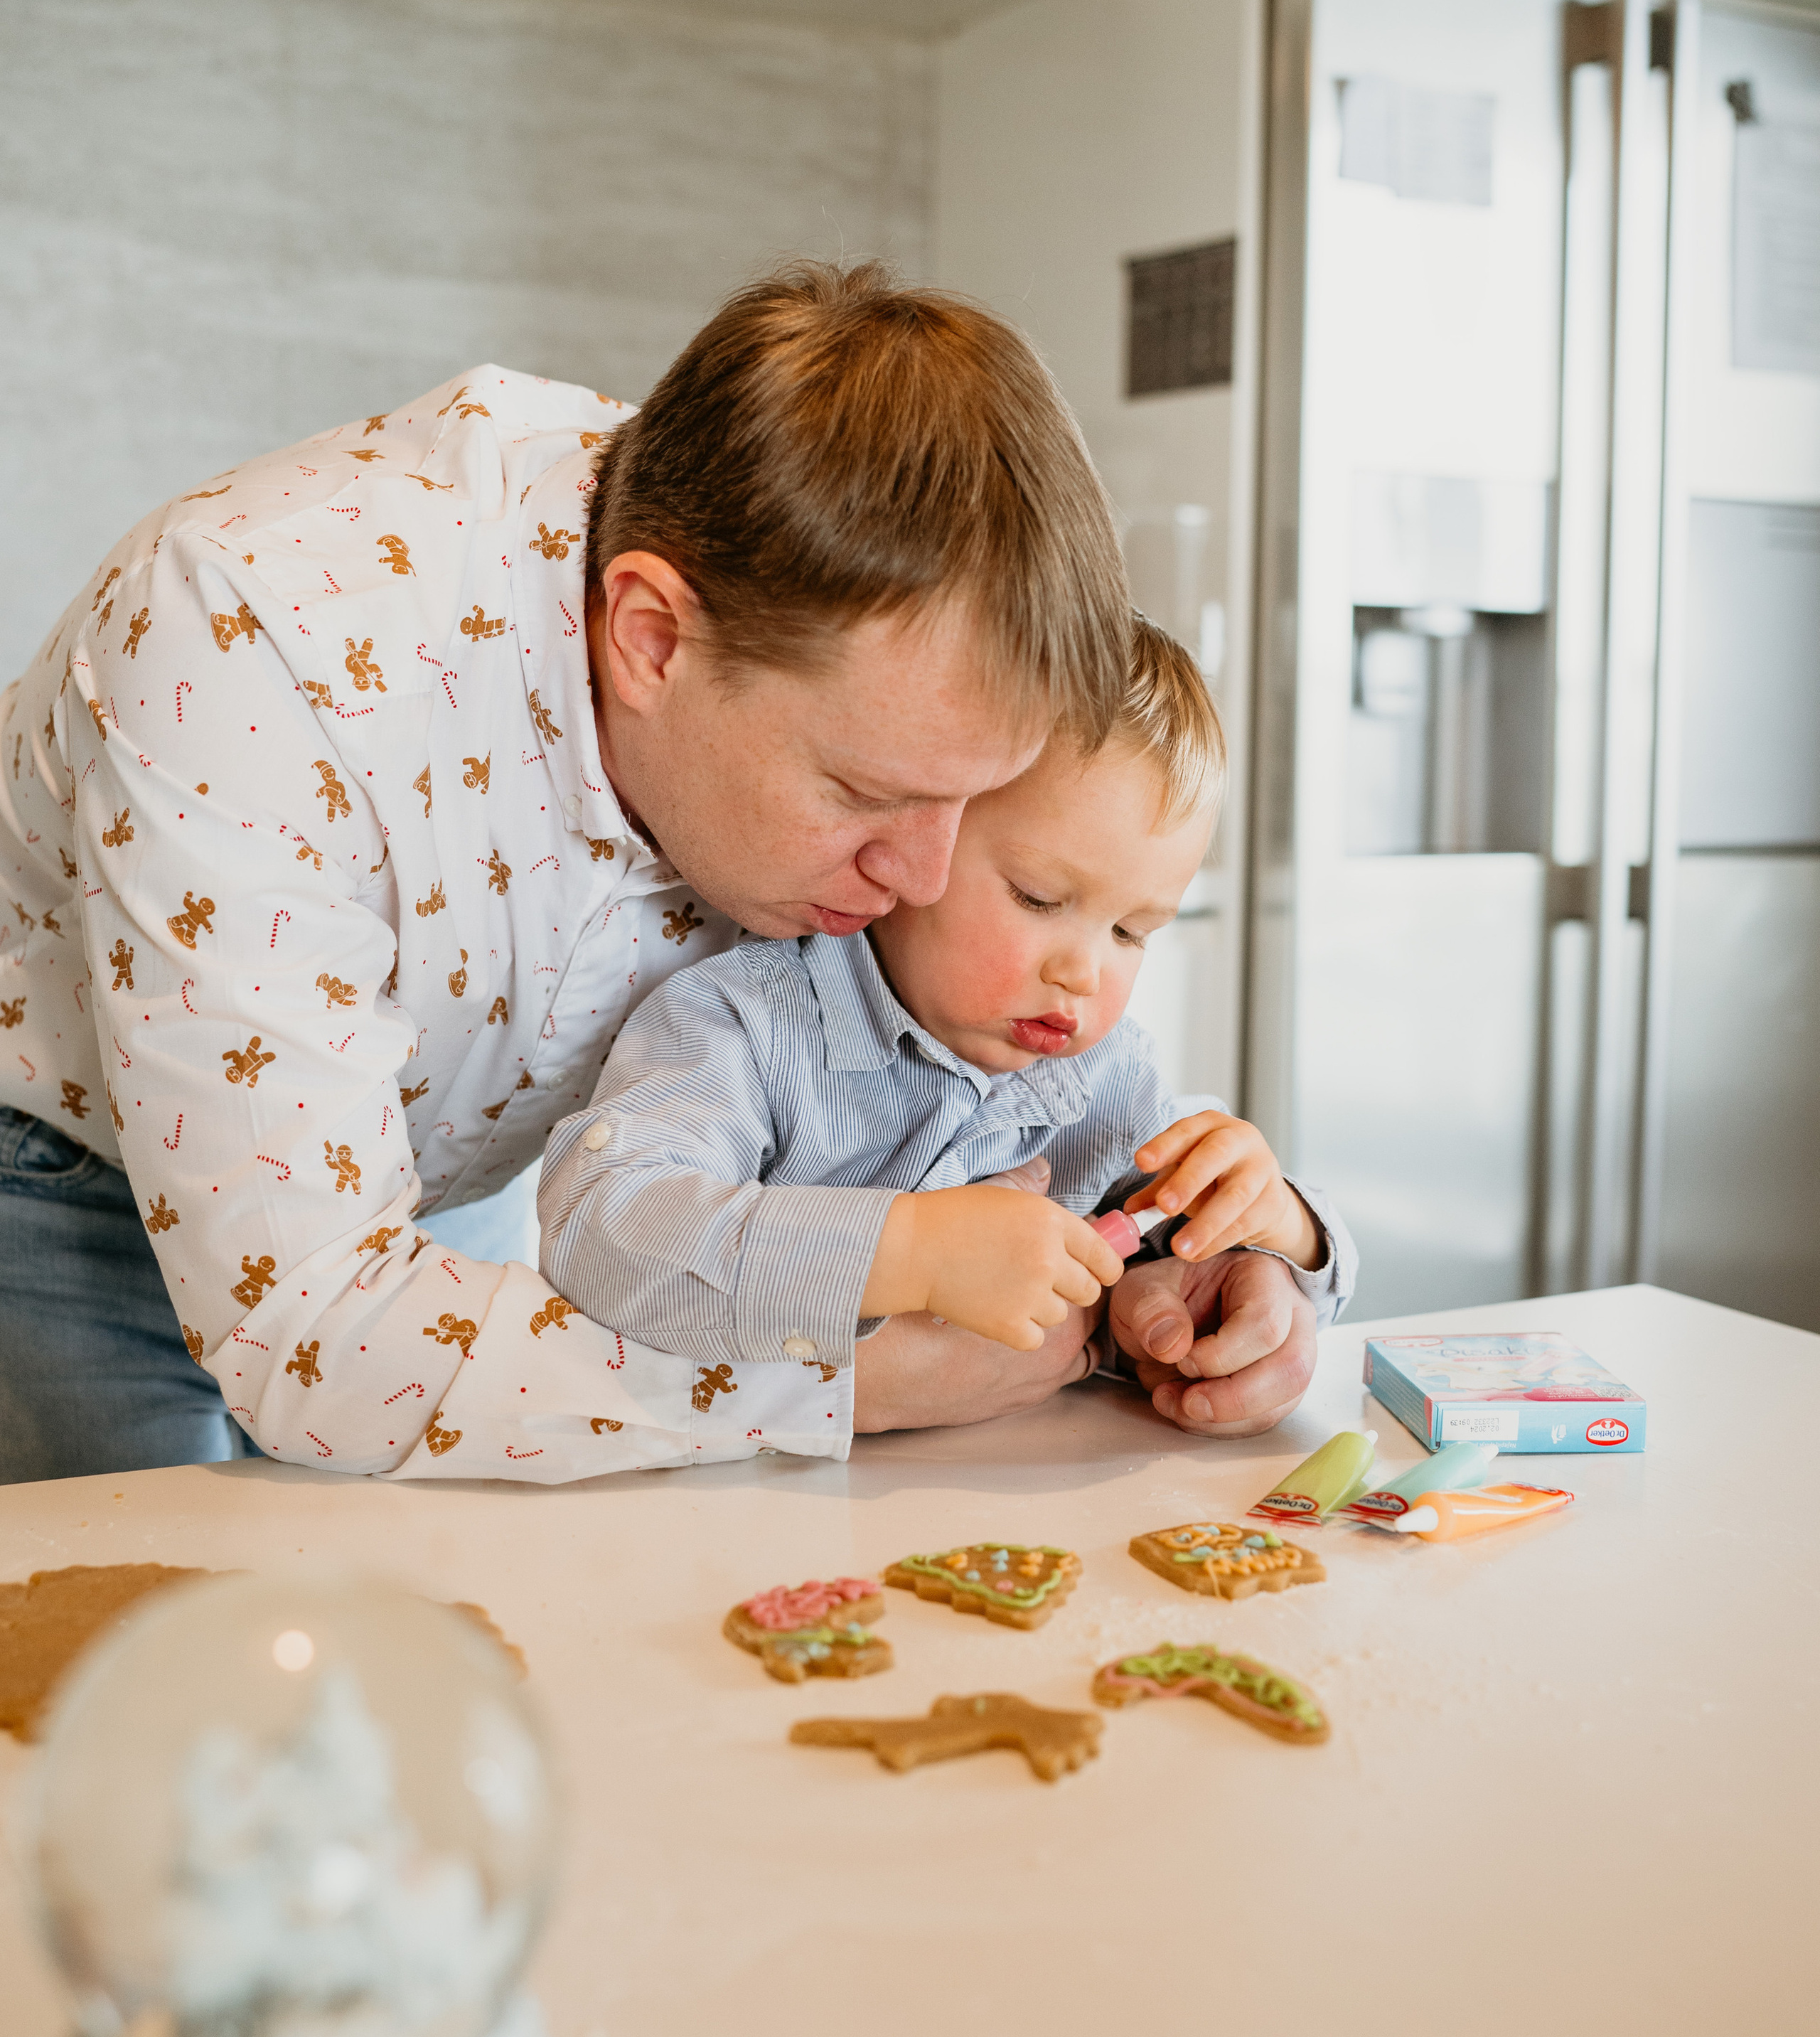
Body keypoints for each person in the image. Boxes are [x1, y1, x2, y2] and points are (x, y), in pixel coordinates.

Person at [0, 263, 1324, 1482]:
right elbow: (317, 1337)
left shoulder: (824, 603)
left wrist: (1239, 1264)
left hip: (444, 1198)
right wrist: (839, 1387)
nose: (923, 878)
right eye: (865, 794)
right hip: (62, 1176)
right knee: (133, 1662)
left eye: (971, 811)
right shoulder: (247, 641)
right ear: (649, 639)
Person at [537, 616, 1354, 1427]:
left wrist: (1271, 1229)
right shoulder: (741, 1025)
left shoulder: (1101, 1074)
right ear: (917, 829)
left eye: (1130, 932)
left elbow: (1183, 1237)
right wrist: (907, 1251)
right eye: (1038, 898)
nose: (1083, 972)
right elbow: (601, 1229)